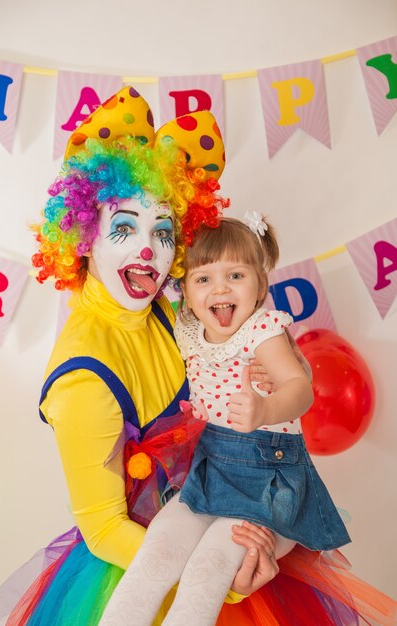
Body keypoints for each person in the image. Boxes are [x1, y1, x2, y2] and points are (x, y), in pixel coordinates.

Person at [0, 86, 395, 626]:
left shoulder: (170, 313)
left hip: (230, 502)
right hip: (146, 558)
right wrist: (223, 584)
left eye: (163, 231)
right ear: (84, 236)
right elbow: (104, 530)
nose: (148, 249)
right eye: (124, 228)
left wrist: (272, 388)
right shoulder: (84, 379)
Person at [98, 214, 352, 626]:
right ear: (184, 290)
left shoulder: (263, 331)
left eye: (235, 275)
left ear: (260, 286)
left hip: (269, 480)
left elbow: (299, 388)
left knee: (210, 567)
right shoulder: (187, 330)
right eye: (203, 279)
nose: (219, 288)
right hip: (210, 470)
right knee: (156, 553)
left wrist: (266, 409)